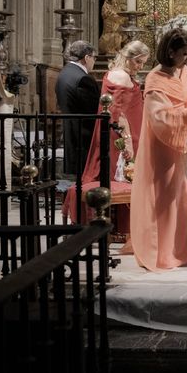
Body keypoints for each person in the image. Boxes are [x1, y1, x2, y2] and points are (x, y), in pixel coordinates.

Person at [130, 29, 187, 271]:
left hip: (180, 139)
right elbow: (159, 116)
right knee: (162, 195)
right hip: (162, 143)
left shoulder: (182, 71)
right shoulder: (154, 78)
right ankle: (159, 252)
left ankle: (177, 250)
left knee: (178, 193)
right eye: (184, 54)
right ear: (170, 52)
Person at [61, 41, 150, 242]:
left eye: (143, 62)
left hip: (126, 133)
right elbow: (117, 113)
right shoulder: (122, 76)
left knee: (118, 175)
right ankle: (118, 227)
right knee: (123, 176)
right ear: (128, 57)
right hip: (124, 136)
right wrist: (126, 141)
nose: (140, 66)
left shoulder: (116, 73)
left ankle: (115, 226)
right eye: (138, 62)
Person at [55, 40, 101, 175]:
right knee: (84, 177)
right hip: (84, 138)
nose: (94, 61)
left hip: (70, 132)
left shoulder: (64, 73)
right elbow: (94, 112)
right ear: (86, 58)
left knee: (73, 176)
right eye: (94, 58)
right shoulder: (83, 79)